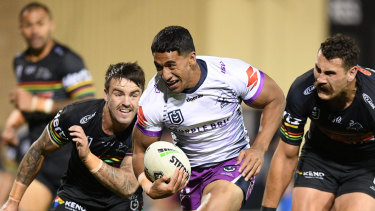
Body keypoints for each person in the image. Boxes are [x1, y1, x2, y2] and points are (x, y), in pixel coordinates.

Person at [132, 25, 285, 211]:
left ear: (192, 59)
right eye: (159, 67)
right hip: (188, 175)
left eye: (171, 66)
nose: (165, 75)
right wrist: (148, 187)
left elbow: (275, 98)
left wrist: (260, 147)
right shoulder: (153, 99)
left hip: (233, 163)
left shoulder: (230, 73)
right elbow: (140, 150)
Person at [1, 62, 145, 211]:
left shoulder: (145, 128)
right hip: (77, 198)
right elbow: (39, 149)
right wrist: (13, 201)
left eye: (134, 95)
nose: (127, 103)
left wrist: (88, 157)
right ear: (106, 95)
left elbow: (127, 186)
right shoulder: (76, 115)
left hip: (121, 203)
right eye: (119, 94)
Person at [261, 34, 375, 211]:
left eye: (330, 73)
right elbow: (286, 155)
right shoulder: (302, 91)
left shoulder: (372, 94)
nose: (320, 79)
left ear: (352, 73)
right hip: (320, 157)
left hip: (365, 164)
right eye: (318, 70)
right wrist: (267, 210)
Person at [0, 2, 95, 210]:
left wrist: (36, 103)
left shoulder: (68, 60)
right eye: (28, 25)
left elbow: (87, 105)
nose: (34, 30)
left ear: (51, 24)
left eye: (40, 23)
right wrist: (11, 125)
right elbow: (27, 108)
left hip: (69, 160)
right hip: (39, 158)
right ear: (20, 28)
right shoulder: (20, 62)